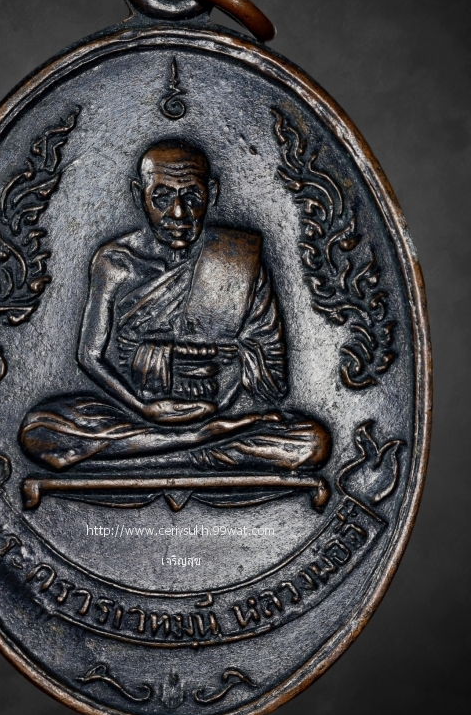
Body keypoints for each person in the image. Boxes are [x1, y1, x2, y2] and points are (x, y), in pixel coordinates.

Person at [19, 139, 331, 475]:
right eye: (162, 197)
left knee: (312, 442)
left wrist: (227, 366)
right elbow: (89, 355)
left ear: (212, 193)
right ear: (138, 193)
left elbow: (271, 377)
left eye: (192, 197)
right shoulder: (116, 262)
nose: (179, 213)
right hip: (133, 411)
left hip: (221, 410)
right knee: (41, 431)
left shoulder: (237, 258)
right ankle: (198, 443)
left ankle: (160, 451)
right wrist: (144, 408)